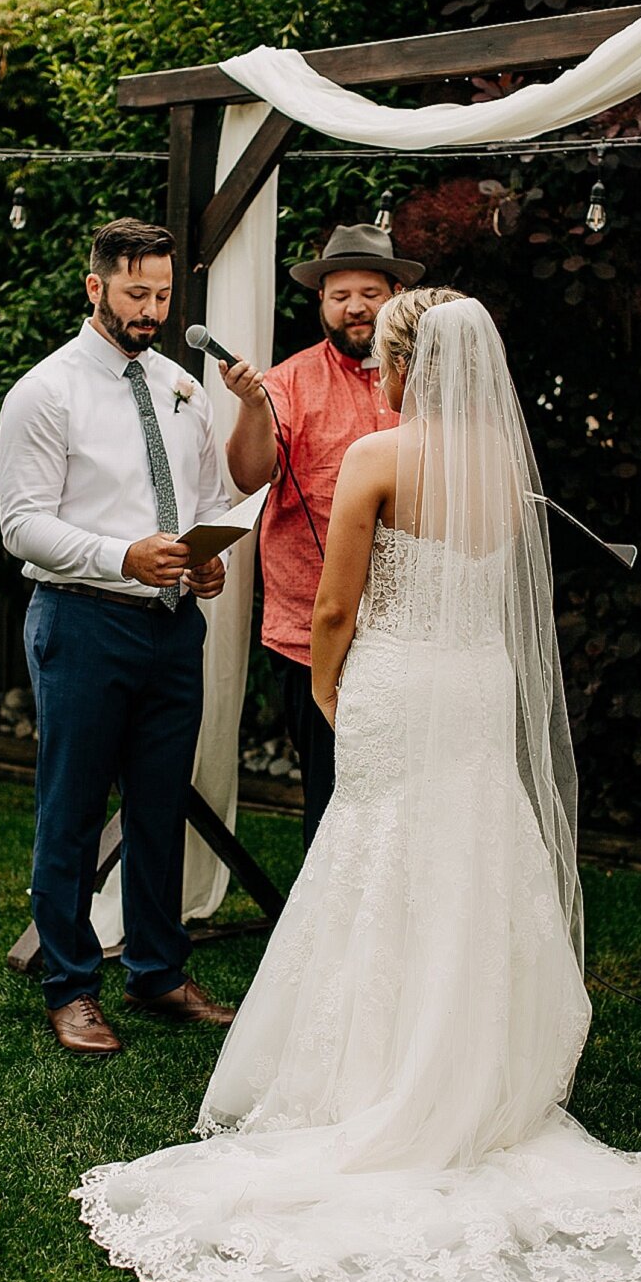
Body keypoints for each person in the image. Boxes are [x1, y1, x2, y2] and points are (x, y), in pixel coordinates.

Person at [72, 290, 641, 1282]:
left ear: (406, 365)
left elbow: (335, 604)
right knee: (472, 854)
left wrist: (333, 684)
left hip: (396, 679)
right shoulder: (503, 465)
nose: (375, 374)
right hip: (478, 686)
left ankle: (371, 1074)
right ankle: (476, 1063)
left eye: (385, 358)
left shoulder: (380, 457)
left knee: (379, 858)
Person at [0, 218, 236, 1056]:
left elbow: (206, 497)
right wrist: (121, 557)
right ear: (94, 287)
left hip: (173, 628)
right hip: (81, 621)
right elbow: (21, 525)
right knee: (70, 811)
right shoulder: (45, 391)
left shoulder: (182, 385)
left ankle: (159, 972)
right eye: (137, 293)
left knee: (161, 805)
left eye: (164, 294)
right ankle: (70, 986)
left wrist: (207, 564)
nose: (153, 309)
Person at [222, 223, 421, 851]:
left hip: (409, 631)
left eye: (369, 291)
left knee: (406, 795)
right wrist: (253, 408)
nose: (355, 306)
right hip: (312, 632)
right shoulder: (287, 382)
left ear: (394, 294)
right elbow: (249, 476)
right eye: (339, 295)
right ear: (321, 303)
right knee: (333, 797)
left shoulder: (427, 383)